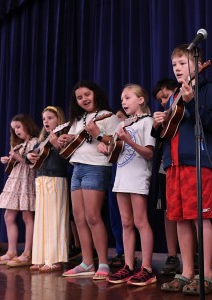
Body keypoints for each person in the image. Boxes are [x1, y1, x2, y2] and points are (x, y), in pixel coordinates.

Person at [153, 44, 212, 295]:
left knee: (199, 218)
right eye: (174, 65)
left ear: (197, 63)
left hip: (197, 161)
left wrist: (193, 103)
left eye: (183, 63)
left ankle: (206, 275)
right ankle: (186, 272)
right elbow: (167, 132)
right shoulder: (173, 96)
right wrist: (157, 123)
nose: (178, 68)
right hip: (173, 164)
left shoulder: (207, 89)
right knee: (180, 218)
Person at [58, 80, 119, 280]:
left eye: (87, 94)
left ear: (96, 94)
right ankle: (86, 262)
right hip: (77, 168)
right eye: (79, 97)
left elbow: (117, 142)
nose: (84, 99)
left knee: (93, 216)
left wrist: (99, 134)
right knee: (79, 217)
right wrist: (65, 139)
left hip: (97, 167)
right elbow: (75, 141)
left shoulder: (108, 116)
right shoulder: (78, 119)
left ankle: (103, 262)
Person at [99, 83, 156, 286]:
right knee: (126, 222)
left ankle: (147, 268)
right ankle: (129, 265)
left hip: (138, 176)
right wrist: (107, 149)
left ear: (141, 100)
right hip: (121, 178)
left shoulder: (147, 122)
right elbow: (117, 153)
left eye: (128, 97)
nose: (123, 101)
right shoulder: (124, 124)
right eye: (122, 98)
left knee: (140, 222)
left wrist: (128, 141)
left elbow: (149, 153)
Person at [26, 106, 69, 272]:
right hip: (41, 180)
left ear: (59, 119)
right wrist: (28, 156)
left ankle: (55, 258)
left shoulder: (63, 135)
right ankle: (40, 257)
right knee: (42, 220)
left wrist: (56, 144)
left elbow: (69, 158)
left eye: (50, 118)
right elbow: (30, 156)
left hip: (56, 179)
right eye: (44, 119)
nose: (46, 121)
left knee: (54, 219)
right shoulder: (40, 139)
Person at [0, 114, 39, 267]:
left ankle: (28, 252)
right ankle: (11, 250)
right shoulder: (19, 145)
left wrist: (18, 157)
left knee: (27, 216)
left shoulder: (35, 142)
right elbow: (17, 162)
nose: (17, 131)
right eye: (14, 129)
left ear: (27, 125)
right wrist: (9, 160)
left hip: (27, 180)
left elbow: (32, 163)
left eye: (19, 127)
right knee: (8, 215)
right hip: (15, 181)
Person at [151, 78, 181, 275]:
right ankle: (172, 255)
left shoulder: (184, 105)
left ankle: (194, 253)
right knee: (168, 212)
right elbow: (159, 139)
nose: (163, 102)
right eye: (159, 100)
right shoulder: (164, 116)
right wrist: (156, 125)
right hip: (165, 167)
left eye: (165, 96)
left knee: (189, 212)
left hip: (185, 163)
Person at [108, 108, 127, 267]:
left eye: (120, 117)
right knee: (115, 217)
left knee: (128, 219)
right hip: (114, 178)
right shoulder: (114, 135)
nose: (117, 120)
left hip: (129, 178)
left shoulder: (130, 130)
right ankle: (120, 251)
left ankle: (129, 253)